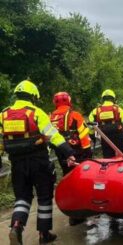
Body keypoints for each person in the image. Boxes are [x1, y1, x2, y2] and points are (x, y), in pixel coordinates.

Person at [0, 80, 76, 244]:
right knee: (44, 197)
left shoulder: (3, 114)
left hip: (17, 164)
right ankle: (44, 235)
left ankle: (16, 225)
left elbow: (1, 141)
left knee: (22, 197)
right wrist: (69, 153)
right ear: (33, 96)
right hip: (39, 161)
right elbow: (53, 135)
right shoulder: (36, 112)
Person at [50, 92, 92, 176]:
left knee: (66, 173)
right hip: (76, 151)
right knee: (80, 174)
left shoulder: (51, 117)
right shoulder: (75, 115)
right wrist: (88, 152)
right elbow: (83, 134)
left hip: (60, 150)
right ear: (69, 101)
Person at [88, 89, 123, 158]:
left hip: (105, 139)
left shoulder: (95, 111)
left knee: (108, 160)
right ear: (113, 99)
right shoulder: (119, 110)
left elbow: (91, 127)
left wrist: (92, 137)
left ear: (103, 99)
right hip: (119, 138)